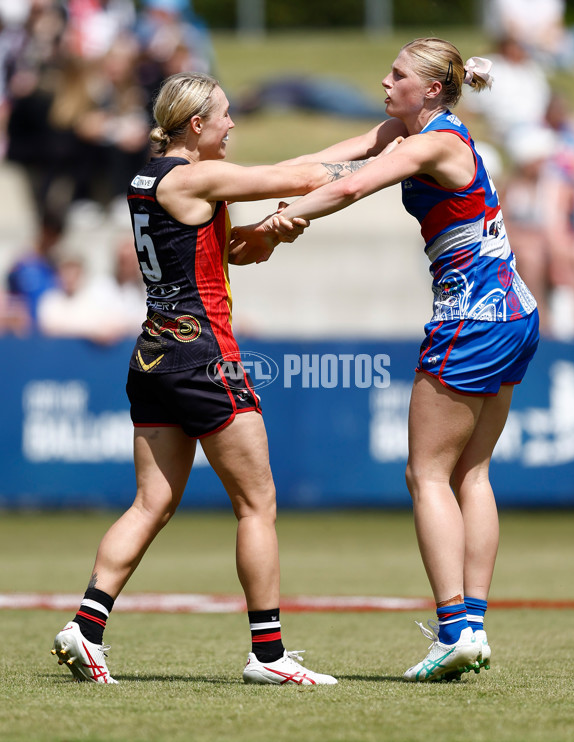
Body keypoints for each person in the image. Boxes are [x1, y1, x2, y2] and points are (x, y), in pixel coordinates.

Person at [50, 71, 370, 685]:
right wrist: (392, 158)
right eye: (224, 115)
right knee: (258, 504)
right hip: (204, 356)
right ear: (196, 124)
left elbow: (216, 249)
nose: (231, 124)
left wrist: (369, 142)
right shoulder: (197, 176)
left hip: (152, 356)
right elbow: (301, 175)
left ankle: (85, 629)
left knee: (151, 502)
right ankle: (269, 656)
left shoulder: (148, 178)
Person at [236, 37, 540, 682]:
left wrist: (272, 227)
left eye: (397, 74)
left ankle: (455, 627)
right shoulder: (406, 131)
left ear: (431, 89)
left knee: (426, 474)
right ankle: (474, 627)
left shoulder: (434, 143)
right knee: (472, 474)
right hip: (515, 309)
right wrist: (237, 190)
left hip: (472, 317)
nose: (383, 80)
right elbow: (322, 164)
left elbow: (352, 190)